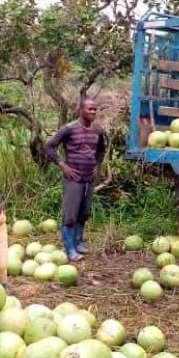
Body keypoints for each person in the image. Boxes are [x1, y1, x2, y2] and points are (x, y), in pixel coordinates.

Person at [45, 98, 106, 262]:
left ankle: (78, 243)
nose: (93, 112)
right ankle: (69, 248)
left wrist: (97, 166)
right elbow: (49, 146)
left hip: (89, 178)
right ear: (81, 109)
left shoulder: (98, 131)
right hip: (73, 178)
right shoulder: (69, 129)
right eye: (90, 109)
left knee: (84, 212)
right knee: (70, 215)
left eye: (95, 109)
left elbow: (101, 150)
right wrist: (62, 165)